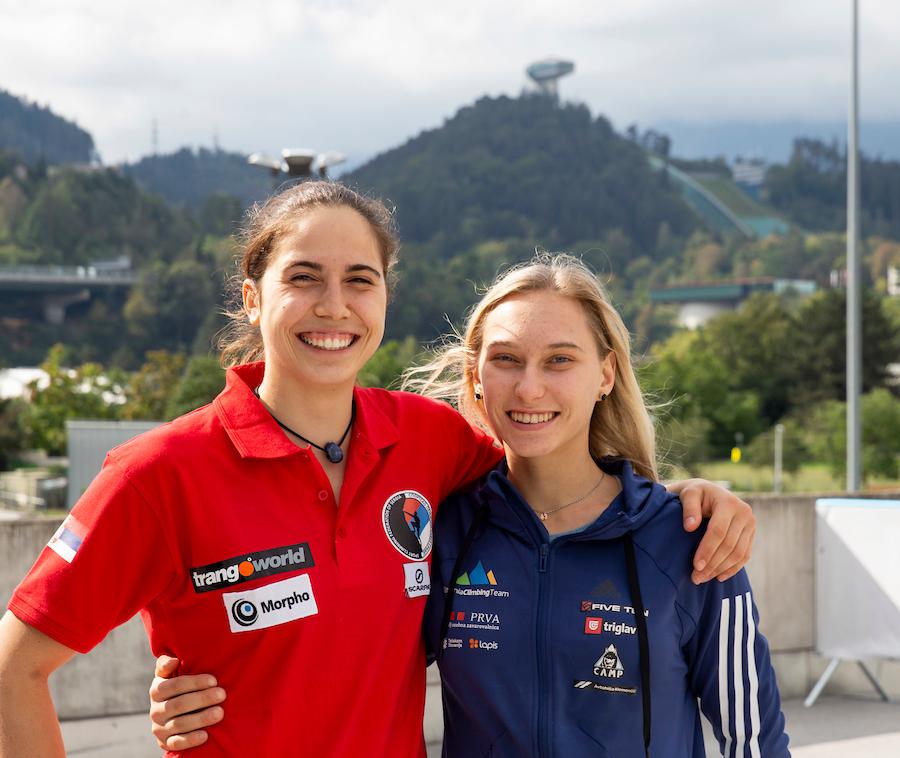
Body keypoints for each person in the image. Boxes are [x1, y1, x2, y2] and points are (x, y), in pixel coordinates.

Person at [0, 182, 756, 757]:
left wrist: (688, 499)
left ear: (386, 296)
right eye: (304, 277)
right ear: (252, 296)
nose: (334, 306)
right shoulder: (159, 473)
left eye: (360, 278)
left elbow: (559, 465)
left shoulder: (430, 444)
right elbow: (13, 671)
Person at [153, 254, 789, 756]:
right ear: (477, 380)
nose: (529, 386)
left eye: (560, 360)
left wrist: (680, 498)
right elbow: (346, 650)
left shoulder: (689, 539)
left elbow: (754, 743)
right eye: (506, 360)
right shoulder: (447, 527)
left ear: (606, 375)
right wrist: (203, 689)